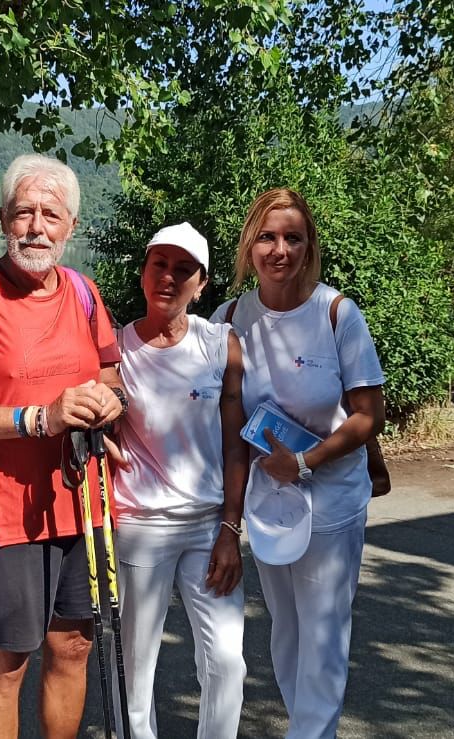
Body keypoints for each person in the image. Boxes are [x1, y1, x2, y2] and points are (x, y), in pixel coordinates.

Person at [0, 154, 125, 739]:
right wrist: (41, 419)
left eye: (51, 214)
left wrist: (109, 404)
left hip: (85, 503)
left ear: (70, 227)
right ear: (3, 219)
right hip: (5, 512)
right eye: (24, 213)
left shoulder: (84, 292)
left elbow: (113, 375)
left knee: (71, 646)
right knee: (7, 661)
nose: (36, 227)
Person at [211, 188, 387, 739]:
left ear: (309, 246)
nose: (279, 249)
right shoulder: (230, 319)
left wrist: (306, 461)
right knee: (286, 633)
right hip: (271, 506)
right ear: (249, 245)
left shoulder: (336, 313)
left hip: (330, 501)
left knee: (324, 633)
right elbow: (215, 419)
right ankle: (309, 730)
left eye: (292, 238)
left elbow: (367, 416)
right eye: (267, 237)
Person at [112, 223, 249, 738]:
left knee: (226, 662)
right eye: (159, 264)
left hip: (209, 528)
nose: (168, 277)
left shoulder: (221, 344)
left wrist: (231, 531)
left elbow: (237, 443)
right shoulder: (115, 347)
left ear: (202, 284)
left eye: (183, 269)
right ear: (144, 271)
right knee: (135, 668)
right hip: (141, 527)